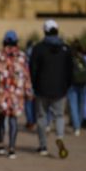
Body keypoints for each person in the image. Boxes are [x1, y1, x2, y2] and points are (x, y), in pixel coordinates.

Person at [30, 20, 72, 158]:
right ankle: (59, 136)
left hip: (42, 89)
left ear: (45, 31)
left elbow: (33, 69)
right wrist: (66, 86)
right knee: (59, 116)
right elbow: (70, 70)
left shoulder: (38, 48)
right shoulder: (66, 49)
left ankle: (43, 146)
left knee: (42, 117)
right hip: (60, 89)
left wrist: (34, 86)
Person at [0, 31, 32, 159]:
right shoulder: (22, 56)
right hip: (16, 94)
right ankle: (12, 148)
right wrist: (28, 91)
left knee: (1, 118)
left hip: (2, 92)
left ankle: (1, 145)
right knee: (13, 119)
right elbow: (26, 75)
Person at [67, 41, 86, 136]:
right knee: (81, 105)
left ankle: (76, 127)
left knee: (73, 106)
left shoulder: (70, 58)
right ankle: (78, 124)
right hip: (83, 84)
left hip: (72, 85)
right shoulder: (84, 59)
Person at [24, 40, 37, 131]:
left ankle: (30, 121)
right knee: (35, 103)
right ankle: (34, 120)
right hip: (36, 81)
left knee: (28, 102)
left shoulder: (25, 55)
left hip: (28, 81)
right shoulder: (37, 53)